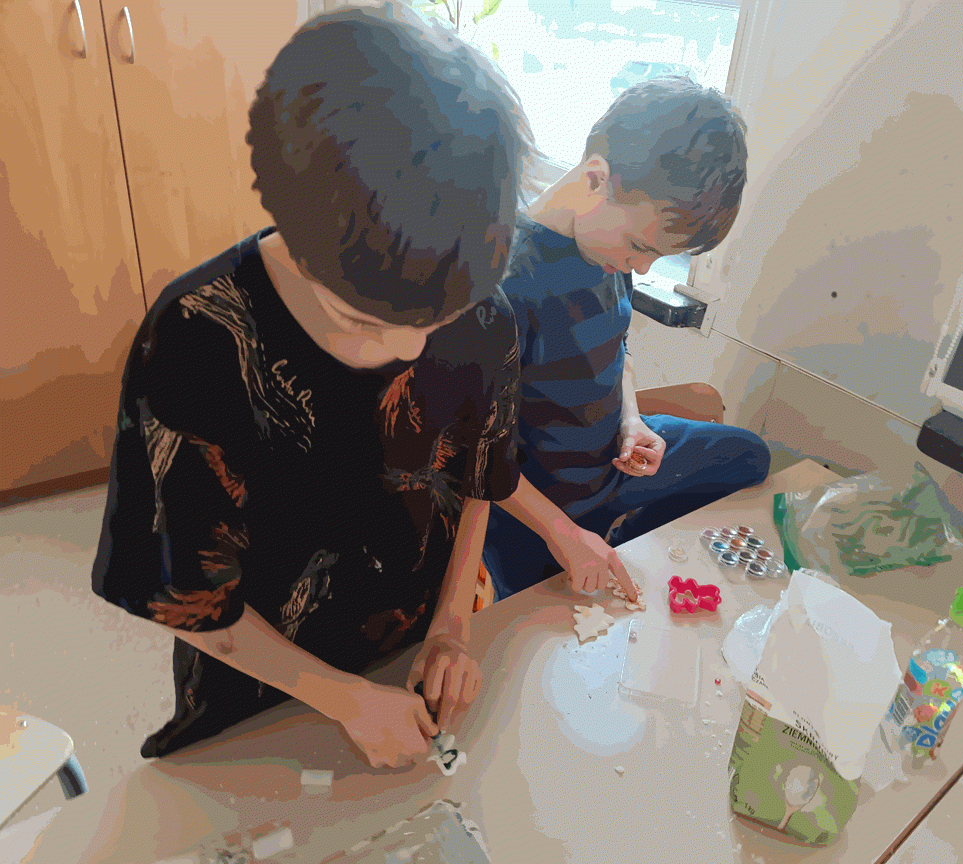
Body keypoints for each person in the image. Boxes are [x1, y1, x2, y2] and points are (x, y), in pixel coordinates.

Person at [91, 3, 538, 768]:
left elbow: (476, 478)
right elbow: (186, 592)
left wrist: (451, 627)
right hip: (259, 685)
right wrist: (345, 700)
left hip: (412, 650)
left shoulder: (480, 309)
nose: (411, 349)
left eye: (439, 321)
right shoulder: (196, 339)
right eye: (361, 320)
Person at [482, 75, 772, 601]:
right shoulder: (507, 284)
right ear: (596, 179)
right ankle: (599, 544)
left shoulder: (606, 250)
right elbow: (479, 454)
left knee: (748, 457)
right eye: (641, 247)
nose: (641, 268)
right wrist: (564, 534)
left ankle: (626, 542)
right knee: (541, 624)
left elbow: (617, 349)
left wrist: (632, 421)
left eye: (657, 256)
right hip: (541, 503)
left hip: (613, 463)